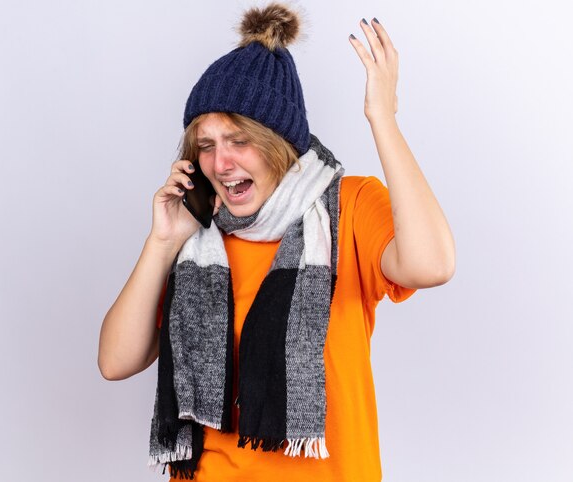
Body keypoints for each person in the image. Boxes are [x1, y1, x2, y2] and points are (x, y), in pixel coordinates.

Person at [97, 3, 455, 481]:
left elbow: (432, 264)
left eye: (239, 140)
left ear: (278, 144)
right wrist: (163, 242)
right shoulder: (198, 239)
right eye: (206, 145)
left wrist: (382, 118)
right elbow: (116, 362)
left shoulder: (347, 208)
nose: (221, 163)